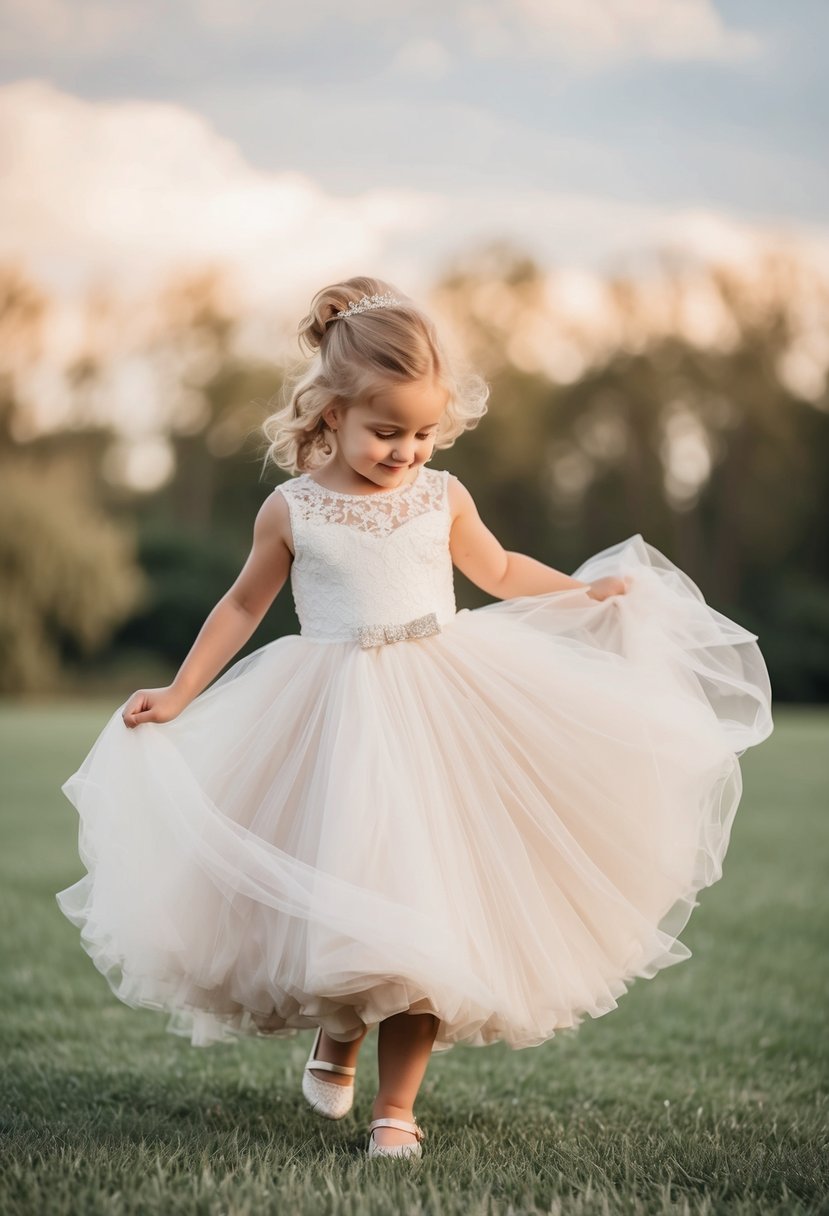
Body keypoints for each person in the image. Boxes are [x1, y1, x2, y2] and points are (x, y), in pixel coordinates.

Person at [56, 276, 774, 1160]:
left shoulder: (442, 496)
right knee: (352, 883)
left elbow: (501, 571)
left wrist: (583, 593)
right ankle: (339, 1037)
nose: (406, 451)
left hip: (446, 703)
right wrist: (179, 693)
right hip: (328, 711)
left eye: (424, 432)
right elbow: (241, 608)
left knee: (433, 890)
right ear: (330, 414)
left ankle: (397, 1107)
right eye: (386, 431)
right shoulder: (293, 509)